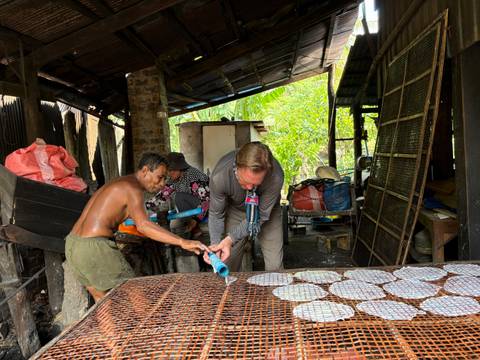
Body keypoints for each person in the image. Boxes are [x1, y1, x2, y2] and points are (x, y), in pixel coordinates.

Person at [65, 153, 206, 302]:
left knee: (102, 300)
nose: (163, 183)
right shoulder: (133, 188)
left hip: (73, 244)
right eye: (160, 177)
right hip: (94, 247)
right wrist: (182, 242)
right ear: (145, 170)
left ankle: (110, 327)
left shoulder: (118, 183)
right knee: (135, 294)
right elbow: (144, 225)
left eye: (165, 178)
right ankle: (149, 326)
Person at [204, 142, 284, 272]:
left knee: (275, 266)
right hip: (236, 210)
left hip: (267, 213)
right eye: (246, 182)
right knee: (227, 263)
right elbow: (216, 214)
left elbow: (262, 215)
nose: (250, 189)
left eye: (256, 184)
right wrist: (216, 245)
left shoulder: (276, 177)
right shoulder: (220, 176)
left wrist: (231, 239)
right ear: (237, 166)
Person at [146, 152, 209, 238]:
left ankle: (195, 226)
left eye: (171, 170)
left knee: (179, 197)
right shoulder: (174, 179)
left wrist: (196, 220)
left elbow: (207, 200)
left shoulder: (193, 176)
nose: (169, 174)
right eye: (168, 171)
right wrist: (145, 207)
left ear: (180, 168)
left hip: (210, 207)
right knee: (179, 198)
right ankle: (193, 227)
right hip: (196, 206)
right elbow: (162, 195)